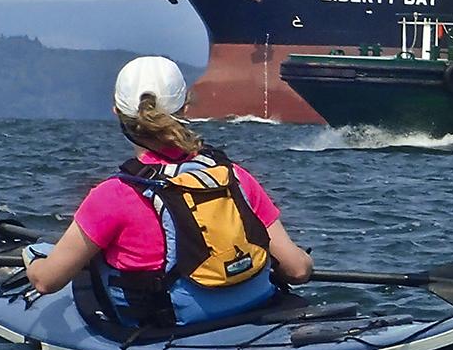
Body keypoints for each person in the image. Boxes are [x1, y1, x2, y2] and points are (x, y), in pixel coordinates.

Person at [23, 56, 312, 327]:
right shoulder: (234, 176)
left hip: (173, 328)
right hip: (254, 308)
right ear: (185, 108)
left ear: (117, 112)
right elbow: (298, 270)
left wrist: (33, 260)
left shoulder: (113, 195)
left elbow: (47, 283)